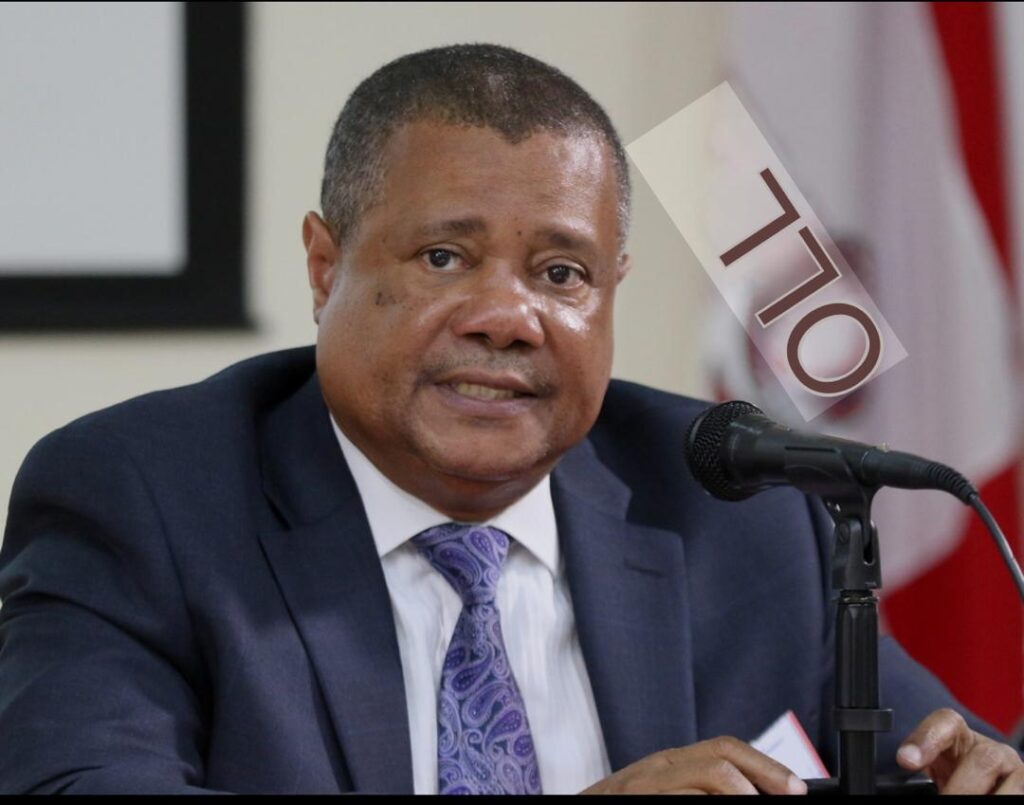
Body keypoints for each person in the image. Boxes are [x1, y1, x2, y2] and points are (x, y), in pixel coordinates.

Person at [0, 43, 1021, 795]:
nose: (506, 318)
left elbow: (933, 757)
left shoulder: (736, 514)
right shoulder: (143, 502)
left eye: (561, 273)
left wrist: (981, 772)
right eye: (444, 257)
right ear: (324, 266)